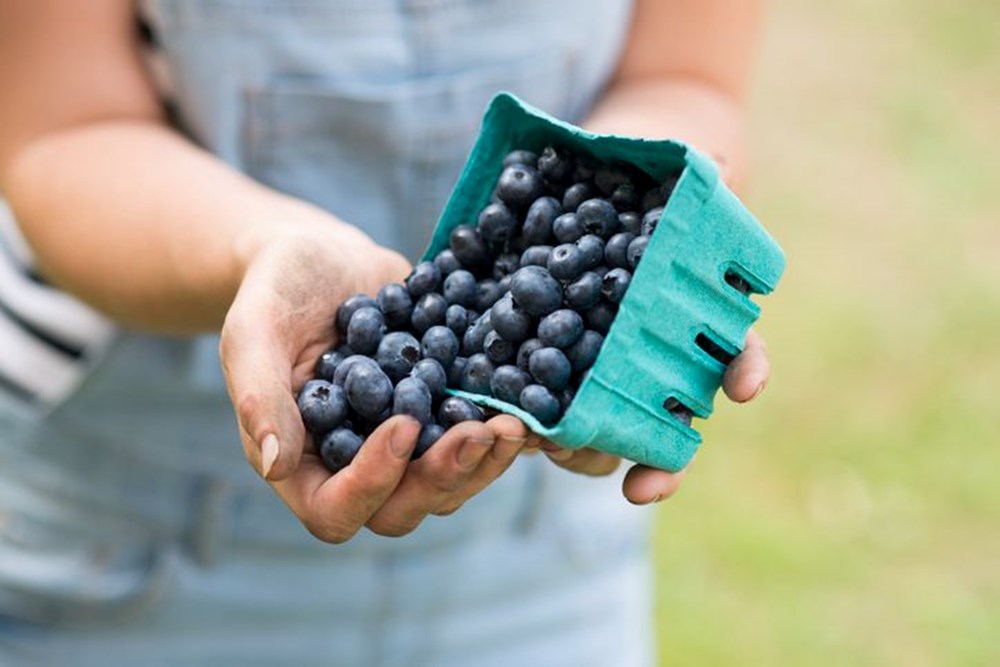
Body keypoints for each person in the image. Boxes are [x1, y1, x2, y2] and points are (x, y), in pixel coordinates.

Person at [0, 1, 770, 665]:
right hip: (123, 554)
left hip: (542, 567)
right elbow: (62, 131)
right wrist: (265, 246)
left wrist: (662, 237)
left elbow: (683, 77)